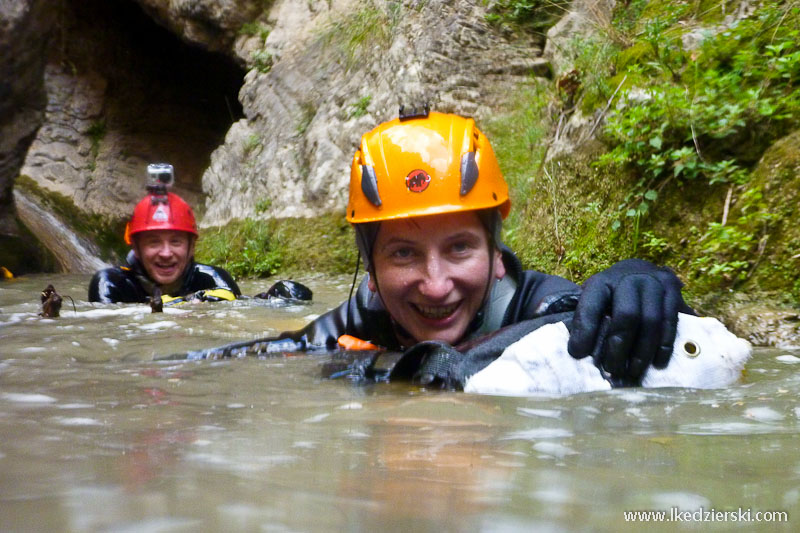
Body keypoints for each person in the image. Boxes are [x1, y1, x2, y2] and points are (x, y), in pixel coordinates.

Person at [277, 109, 693, 384]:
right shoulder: (361, 316)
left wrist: (639, 289)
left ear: (497, 256)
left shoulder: (535, 305)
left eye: (460, 248)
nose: (436, 286)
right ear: (370, 271)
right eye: (403, 253)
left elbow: (604, 319)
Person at [89, 167, 241, 304]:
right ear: (136, 248)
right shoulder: (111, 284)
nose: (166, 253)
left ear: (192, 246)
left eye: (176, 242)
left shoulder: (212, 279)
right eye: (153, 243)